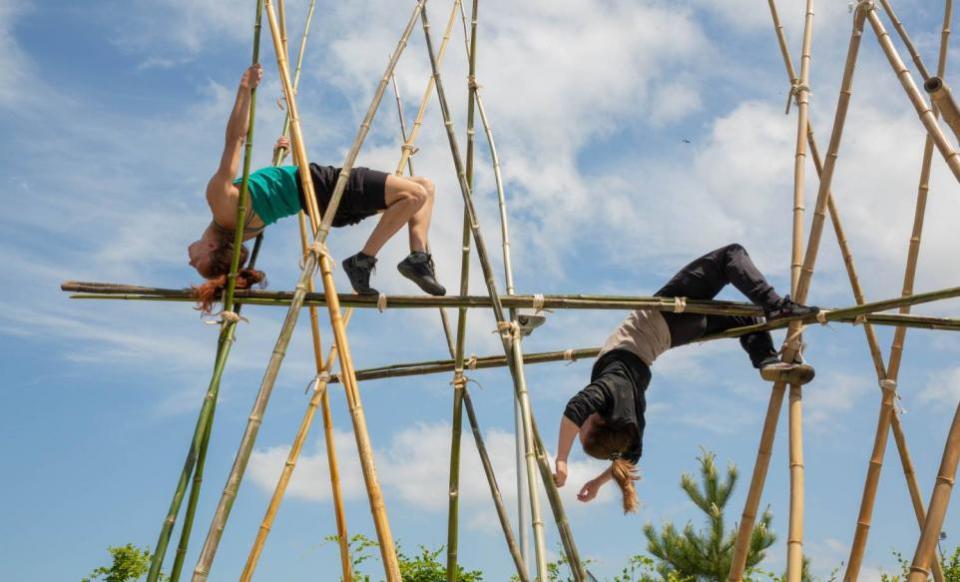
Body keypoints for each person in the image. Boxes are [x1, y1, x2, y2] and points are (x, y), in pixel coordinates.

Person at [553, 243, 818, 513]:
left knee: (745, 316)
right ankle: (776, 306)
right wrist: (561, 460)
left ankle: (766, 360)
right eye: (583, 432)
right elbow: (575, 409)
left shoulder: (631, 423)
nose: (580, 427)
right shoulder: (609, 388)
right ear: (598, 422)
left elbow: (630, 457)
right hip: (664, 317)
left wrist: (599, 482)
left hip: (673, 335)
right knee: (730, 256)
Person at [189, 64, 445, 312]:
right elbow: (236, 140)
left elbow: (269, 195)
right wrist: (245, 89)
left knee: (424, 186)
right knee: (415, 194)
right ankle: (363, 261)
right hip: (320, 186)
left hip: (320, 204)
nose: (190, 260)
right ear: (212, 247)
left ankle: (418, 258)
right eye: (197, 262)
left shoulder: (241, 235)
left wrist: (275, 162)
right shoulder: (220, 203)